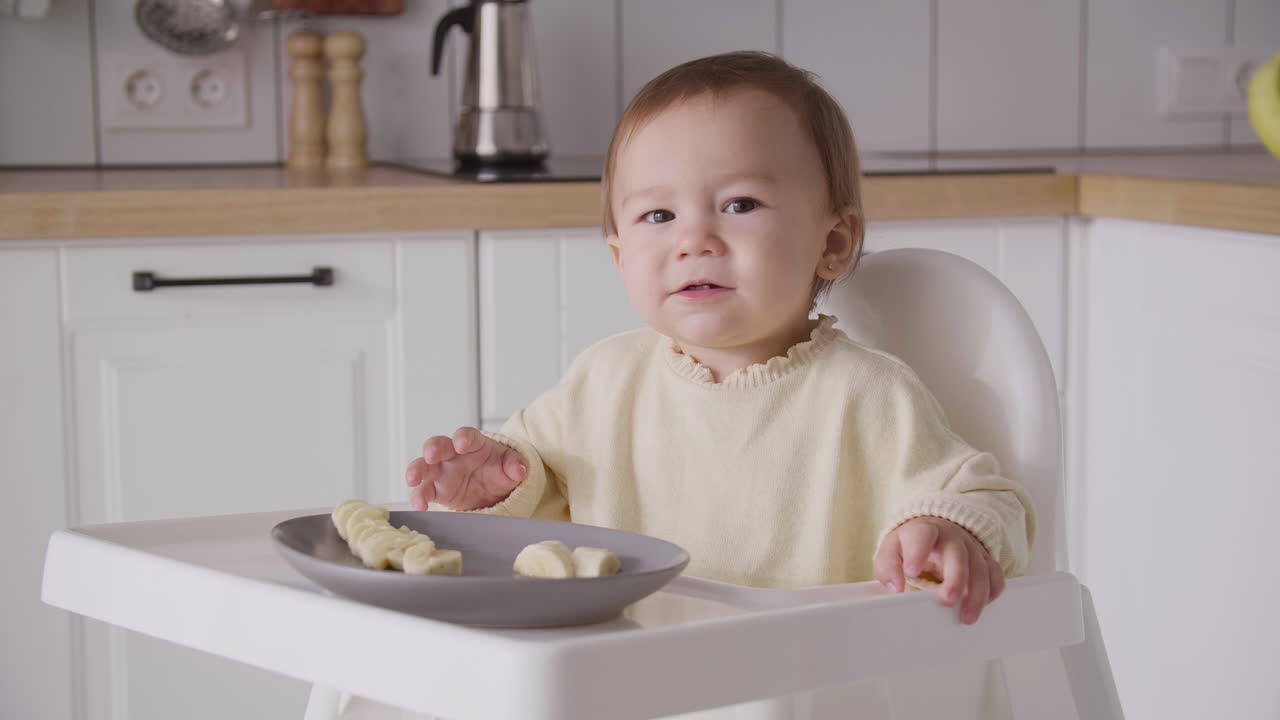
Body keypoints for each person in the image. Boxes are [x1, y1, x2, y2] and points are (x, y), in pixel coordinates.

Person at [406, 50, 1035, 626]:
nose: (694, 240)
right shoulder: (603, 381)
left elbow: (985, 497)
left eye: (740, 205)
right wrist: (499, 485)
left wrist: (945, 529)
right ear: (621, 258)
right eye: (659, 215)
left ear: (833, 241)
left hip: (807, 684)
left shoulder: (868, 394)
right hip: (631, 682)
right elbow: (541, 493)